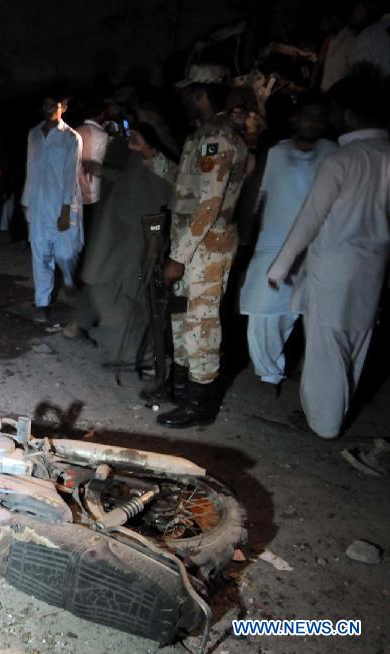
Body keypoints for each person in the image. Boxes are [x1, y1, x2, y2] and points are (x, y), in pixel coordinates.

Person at [267, 70, 389, 439]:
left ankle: (323, 423)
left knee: (327, 346)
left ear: (349, 113)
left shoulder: (343, 159)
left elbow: (310, 219)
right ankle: (335, 412)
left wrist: (281, 265)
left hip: (335, 265)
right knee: (357, 340)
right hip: (375, 267)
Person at [156, 65, 249, 428]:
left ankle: (201, 404)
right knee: (183, 319)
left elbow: (209, 204)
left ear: (199, 94)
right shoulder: (204, 136)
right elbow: (185, 186)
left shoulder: (219, 139)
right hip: (192, 242)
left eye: (186, 95)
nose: (183, 101)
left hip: (206, 248)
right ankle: (180, 391)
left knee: (201, 325)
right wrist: (150, 154)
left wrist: (178, 257)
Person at [239, 94, 337, 387]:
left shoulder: (333, 153)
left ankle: (289, 374)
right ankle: (269, 373)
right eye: (309, 114)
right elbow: (256, 197)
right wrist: (244, 240)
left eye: (320, 116)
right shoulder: (277, 153)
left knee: (297, 312)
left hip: (317, 246)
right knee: (261, 311)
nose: (313, 122)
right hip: (273, 244)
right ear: (295, 119)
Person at [65, 123, 176, 341]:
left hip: (142, 229)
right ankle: (100, 330)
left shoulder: (163, 151)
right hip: (121, 226)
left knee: (123, 281)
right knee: (106, 279)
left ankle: (93, 327)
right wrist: (103, 171)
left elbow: (171, 190)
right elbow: (129, 179)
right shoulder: (140, 152)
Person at [21, 92, 83, 323]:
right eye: (46, 104)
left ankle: (68, 277)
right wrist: (25, 202)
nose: (49, 109)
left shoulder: (72, 138)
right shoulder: (34, 134)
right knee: (40, 257)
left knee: (66, 253)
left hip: (61, 203)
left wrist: (66, 209)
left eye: (54, 105)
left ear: (63, 106)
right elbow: (30, 168)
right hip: (37, 204)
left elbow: (71, 175)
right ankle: (42, 303)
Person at [75, 97, 109, 218]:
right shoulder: (103, 135)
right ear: (101, 114)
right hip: (96, 193)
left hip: (76, 193)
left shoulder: (73, 132)